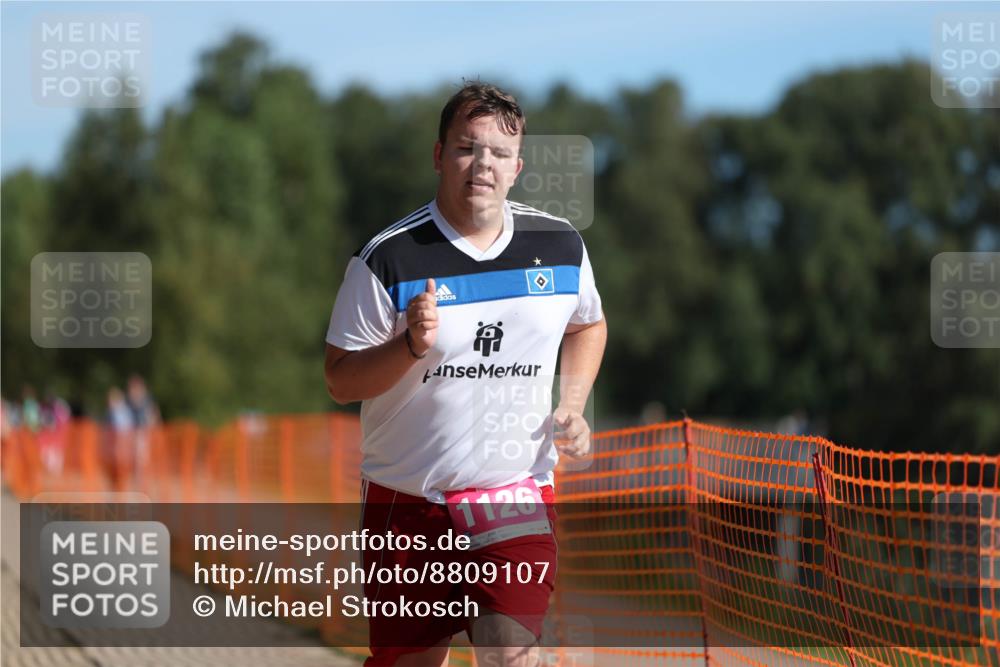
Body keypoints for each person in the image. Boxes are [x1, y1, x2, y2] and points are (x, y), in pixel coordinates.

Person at [324, 82, 607, 667]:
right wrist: (408, 345)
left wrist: (573, 403)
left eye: (499, 154)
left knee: (513, 656)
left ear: (517, 167)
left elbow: (588, 325)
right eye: (466, 148)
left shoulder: (558, 244)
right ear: (438, 155)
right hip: (408, 503)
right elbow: (340, 379)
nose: (483, 165)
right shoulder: (389, 257)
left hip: (515, 495)